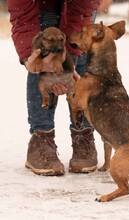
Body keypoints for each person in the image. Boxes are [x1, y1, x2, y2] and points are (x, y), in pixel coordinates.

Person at [7, 0, 102, 176]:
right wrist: (30, 56)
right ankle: (41, 138)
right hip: (41, 4)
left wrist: (70, 61)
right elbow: (23, 16)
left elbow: (80, 10)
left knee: (81, 56)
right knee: (43, 57)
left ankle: (84, 134)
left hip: (80, 5)